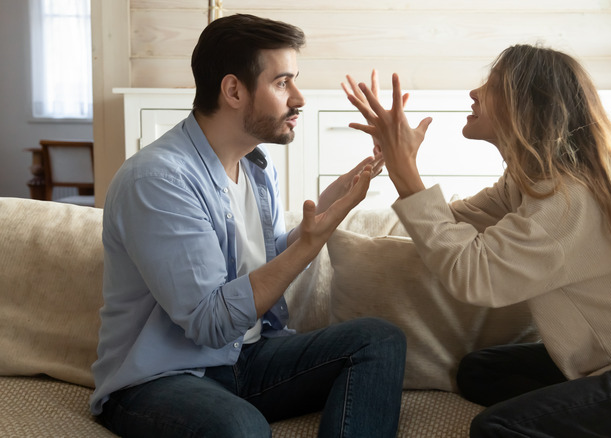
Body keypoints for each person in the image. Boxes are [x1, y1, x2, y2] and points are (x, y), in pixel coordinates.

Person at [342, 44, 611, 437]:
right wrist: (398, 166)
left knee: (497, 429)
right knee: (479, 372)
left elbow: (474, 275)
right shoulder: (532, 182)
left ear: (526, 106)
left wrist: (406, 169)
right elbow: (447, 225)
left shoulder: (570, 200)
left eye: (491, 86)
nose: (474, 93)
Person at [89, 14, 407, 438]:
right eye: (282, 83)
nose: (299, 98)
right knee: (241, 427)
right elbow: (209, 323)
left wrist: (337, 204)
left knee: (378, 340)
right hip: (163, 377)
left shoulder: (256, 167)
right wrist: (306, 248)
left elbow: (268, 257)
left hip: (249, 357)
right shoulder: (158, 181)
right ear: (234, 90)